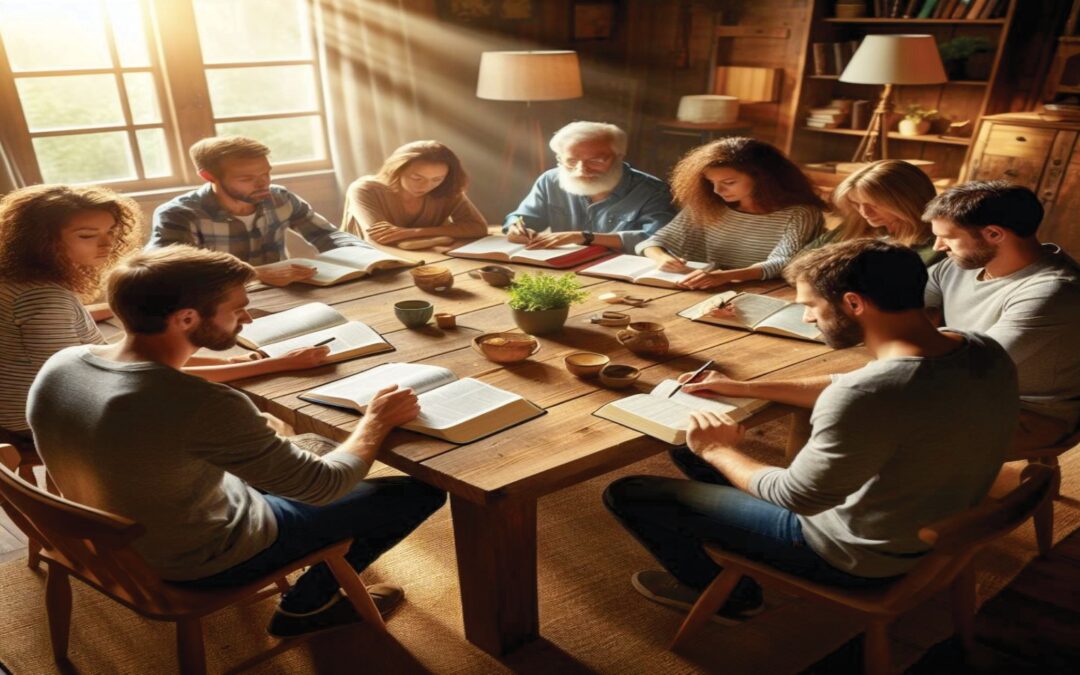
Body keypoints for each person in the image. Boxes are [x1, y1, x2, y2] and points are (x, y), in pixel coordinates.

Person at [27, 245, 446, 637]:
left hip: (111, 539)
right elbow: (325, 487)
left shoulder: (63, 363)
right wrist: (375, 420)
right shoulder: (201, 405)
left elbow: (157, 388)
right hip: (201, 559)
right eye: (238, 309)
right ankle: (308, 606)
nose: (246, 320)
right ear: (187, 319)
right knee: (417, 491)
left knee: (308, 446)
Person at [604, 239, 1017, 623]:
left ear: (853, 303)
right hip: (922, 522)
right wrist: (746, 389)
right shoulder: (977, 346)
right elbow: (858, 382)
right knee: (691, 447)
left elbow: (796, 496)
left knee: (630, 491)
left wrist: (717, 451)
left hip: (853, 556)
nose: (806, 318)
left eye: (812, 306)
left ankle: (735, 598)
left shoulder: (867, 395)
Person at [0, 185, 326, 439]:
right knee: (249, 413)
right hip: (41, 419)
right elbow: (111, 380)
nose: (107, 244)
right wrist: (278, 363)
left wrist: (231, 361)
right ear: (39, 241)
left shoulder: (18, 280)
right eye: (87, 236)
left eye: (111, 231)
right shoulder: (44, 299)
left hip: (24, 405)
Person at [923, 181, 1080, 451]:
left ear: (994, 234)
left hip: (1028, 413)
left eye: (948, 237)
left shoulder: (1054, 291)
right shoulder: (958, 265)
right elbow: (897, 308)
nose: (938, 247)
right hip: (961, 388)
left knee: (879, 428)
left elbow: (977, 359)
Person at [148, 135, 374, 286]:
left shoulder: (279, 198)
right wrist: (254, 274)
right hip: (215, 305)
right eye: (246, 178)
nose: (262, 184)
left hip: (285, 293)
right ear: (209, 176)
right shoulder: (178, 214)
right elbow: (169, 272)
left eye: (266, 173)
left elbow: (327, 234)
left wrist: (366, 256)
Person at [637, 137, 825, 290]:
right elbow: (652, 242)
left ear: (763, 179)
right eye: (711, 183)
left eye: (729, 182)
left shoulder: (801, 213)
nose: (717, 190)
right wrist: (662, 258)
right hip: (702, 288)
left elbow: (783, 262)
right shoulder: (709, 204)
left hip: (762, 292)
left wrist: (725, 277)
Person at [504, 121, 675, 252]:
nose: (581, 170)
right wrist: (517, 228)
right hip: (563, 266)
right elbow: (522, 218)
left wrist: (583, 237)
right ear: (559, 159)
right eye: (571, 161)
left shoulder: (653, 191)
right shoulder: (550, 180)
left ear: (619, 156)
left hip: (622, 269)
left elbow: (659, 238)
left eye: (596, 160)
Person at [343, 140, 488, 247]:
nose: (426, 186)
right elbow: (382, 238)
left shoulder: (446, 188)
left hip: (429, 257)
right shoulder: (364, 190)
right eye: (417, 178)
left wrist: (413, 232)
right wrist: (442, 234)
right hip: (369, 260)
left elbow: (478, 228)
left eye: (437, 179)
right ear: (396, 170)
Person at [806, 159, 943, 266]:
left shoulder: (936, 247)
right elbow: (796, 266)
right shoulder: (855, 226)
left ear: (905, 203)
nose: (864, 212)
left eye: (873, 205)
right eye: (856, 204)